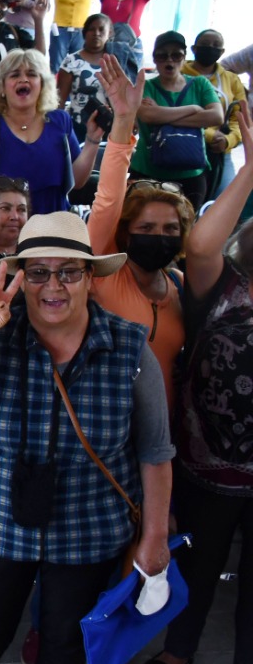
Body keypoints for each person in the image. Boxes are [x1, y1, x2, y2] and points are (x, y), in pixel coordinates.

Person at [0, 212, 174, 664]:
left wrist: (153, 537)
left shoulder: (128, 348)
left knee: (65, 635)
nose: (53, 286)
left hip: (89, 529)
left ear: (91, 277)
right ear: (20, 278)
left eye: (69, 271)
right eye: (38, 272)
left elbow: (155, 450)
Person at [136, 106, 253, 664]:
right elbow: (202, 238)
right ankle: (179, 650)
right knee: (199, 567)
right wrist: (252, 169)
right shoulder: (221, 286)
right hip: (210, 469)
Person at [86, 54, 191, 412]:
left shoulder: (178, 284)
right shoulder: (106, 271)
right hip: (111, 426)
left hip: (166, 430)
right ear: (126, 233)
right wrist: (125, 121)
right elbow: (108, 199)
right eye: (146, 228)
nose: (159, 236)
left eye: (170, 229)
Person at [0, 48, 95, 214]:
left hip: (54, 222)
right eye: (15, 75)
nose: (23, 79)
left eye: (31, 74)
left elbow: (78, 181)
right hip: (6, 227)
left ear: (42, 84)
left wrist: (92, 141)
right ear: (2, 86)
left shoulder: (60, 120)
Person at [131, 31, 225, 210]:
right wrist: (193, 110)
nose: (169, 60)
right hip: (147, 171)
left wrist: (161, 114)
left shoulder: (200, 84)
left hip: (191, 174)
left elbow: (216, 116)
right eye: (162, 55)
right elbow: (147, 116)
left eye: (176, 55)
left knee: (184, 229)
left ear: (184, 57)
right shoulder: (146, 86)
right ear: (155, 59)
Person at [183, 28, 247, 200]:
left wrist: (229, 140)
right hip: (183, 146)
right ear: (194, 48)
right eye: (204, 44)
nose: (210, 48)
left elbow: (239, 118)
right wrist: (210, 135)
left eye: (216, 45)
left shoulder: (232, 79)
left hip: (220, 153)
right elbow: (174, 114)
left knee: (228, 198)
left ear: (222, 52)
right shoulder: (179, 74)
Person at [57, 13, 114, 142]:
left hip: (108, 126)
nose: (96, 33)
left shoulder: (114, 61)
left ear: (109, 33)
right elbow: (59, 99)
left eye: (101, 29)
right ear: (84, 33)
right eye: (91, 29)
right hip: (78, 126)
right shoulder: (71, 61)